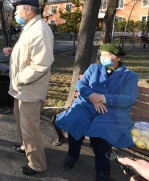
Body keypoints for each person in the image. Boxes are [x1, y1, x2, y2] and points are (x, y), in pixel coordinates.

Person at [55, 44, 139, 181]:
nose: (102, 57)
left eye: (106, 55)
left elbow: (130, 98)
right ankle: (72, 155)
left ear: (117, 57)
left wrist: (104, 98)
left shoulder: (129, 76)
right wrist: (93, 97)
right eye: (102, 55)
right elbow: (81, 85)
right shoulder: (94, 68)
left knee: (101, 135)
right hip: (86, 105)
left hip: (110, 112)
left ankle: (102, 172)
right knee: (76, 122)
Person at [3, 0, 54, 176]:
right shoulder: (29, 28)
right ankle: (26, 147)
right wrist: (13, 52)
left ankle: (37, 164)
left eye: (17, 9)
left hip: (29, 90)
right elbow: (28, 54)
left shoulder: (40, 30)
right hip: (21, 89)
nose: (16, 13)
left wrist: (20, 78)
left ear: (28, 9)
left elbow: (41, 64)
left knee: (30, 128)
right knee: (21, 122)